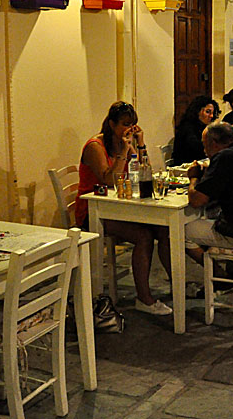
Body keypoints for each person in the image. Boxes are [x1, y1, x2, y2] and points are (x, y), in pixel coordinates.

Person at [74, 101, 173, 315]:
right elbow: (110, 181)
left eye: (133, 125)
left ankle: (178, 284)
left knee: (163, 229)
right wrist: (124, 151)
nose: (129, 129)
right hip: (93, 211)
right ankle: (144, 299)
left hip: (118, 207)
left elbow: (144, 170)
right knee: (144, 236)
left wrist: (141, 144)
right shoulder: (95, 146)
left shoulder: (123, 142)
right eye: (125, 124)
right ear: (111, 124)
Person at [172, 96, 220, 165]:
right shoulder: (187, 127)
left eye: (213, 113)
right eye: (208, 112)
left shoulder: (203, 126)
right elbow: (197, 149)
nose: (211, 116)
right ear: (197, 111)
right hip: (186, 165)